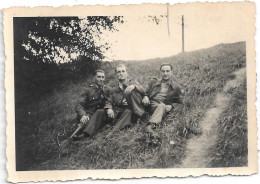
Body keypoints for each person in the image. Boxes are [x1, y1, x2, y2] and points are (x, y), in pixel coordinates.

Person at [142, 63, 183, 141]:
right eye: (163, 71)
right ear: (160, 72)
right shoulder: (153, 82)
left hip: (162, 107)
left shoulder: (176, 87)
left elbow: (179, 101)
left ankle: (150, 127)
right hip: (150, 104)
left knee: (162, 106)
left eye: (167, 71)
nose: (165, 73)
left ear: (172, 72)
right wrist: (146, 96)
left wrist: (172, 106)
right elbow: (145, 92)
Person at [104, 64, 146, 137]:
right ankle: (113, 128)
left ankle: (112, 133)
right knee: (125, 112)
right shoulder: (114, 87)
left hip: (134, 108)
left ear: (126, 73)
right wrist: (109, 108)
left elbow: (143, 90)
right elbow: (109, 100)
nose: (121, 73)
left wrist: (134, 86)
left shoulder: (133, 82)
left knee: (128, 108)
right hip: (121, 109)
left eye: (123, 71)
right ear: (116, 74)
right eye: (119, 72)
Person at [74, 69, 110, 140]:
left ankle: (85, 134)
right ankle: (81, 130)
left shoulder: (107, 89)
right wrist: (83, 115)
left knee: (100, 112)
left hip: (100, 114)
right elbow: (79, 105)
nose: (101, 79)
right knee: (83, 122)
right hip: (88, 114)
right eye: (99, 77)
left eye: (103, 77)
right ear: (94, 77)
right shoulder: (88, 89)